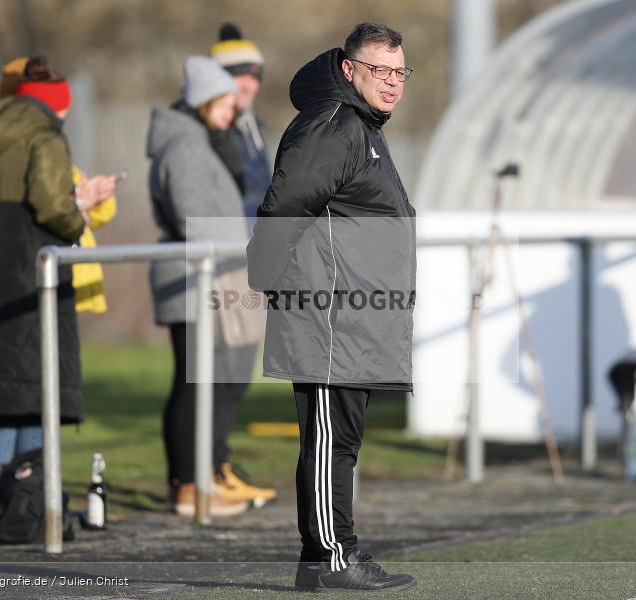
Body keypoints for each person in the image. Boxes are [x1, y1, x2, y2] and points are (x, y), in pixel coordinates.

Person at [246, 22, 416, 591]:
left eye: (399, 72)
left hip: (356, 315)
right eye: (380, 71)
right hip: (326, 315)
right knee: (328, 442)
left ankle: (322, 558)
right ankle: (332, 557)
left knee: (339, 442)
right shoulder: (332, 127)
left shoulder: (362, 126)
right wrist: (266, 280)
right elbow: (284, 208)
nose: (392, 83)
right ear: (349, 70)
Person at [0, 56, 96, 516]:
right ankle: (30, 509)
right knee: (42, 396)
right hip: (41, 273)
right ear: (57, 104)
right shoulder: (46, 136)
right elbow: (51, 205)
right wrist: (80, 215)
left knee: (6, 398)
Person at [147, 56, 274, 519]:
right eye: (224, 103)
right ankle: (188, 486)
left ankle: (198, 480)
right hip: (191, 279)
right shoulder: (185, 146)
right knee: (193, 383)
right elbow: (193, 217)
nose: (232, 112)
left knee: (202, 382)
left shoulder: (197, 140)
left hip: (206, 274)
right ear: (203, 101)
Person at [0, 57, 119, 314]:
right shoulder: (35, 148)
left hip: (65, 272)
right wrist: (79, 204)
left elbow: (73, 216)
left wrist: (94, 199)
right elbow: (55, 214)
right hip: (47, 274)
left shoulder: (51, 150)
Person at [209, 22, 271, 220]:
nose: (248, 85)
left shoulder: (254, 128)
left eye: (254, 76)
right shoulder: (205, 131)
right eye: (238, 74)